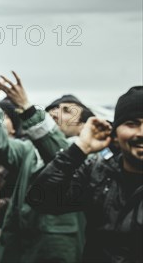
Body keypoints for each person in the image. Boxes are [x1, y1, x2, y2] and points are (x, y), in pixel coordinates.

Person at [0, 29, 85, 262]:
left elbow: (62, 155)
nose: (57, 114)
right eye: (52, 110)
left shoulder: (90, 158)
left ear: (85, 125)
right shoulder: (28, 151)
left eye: (68, 111)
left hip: (59, 250)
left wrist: (28, 108)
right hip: (19, 246)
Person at [28, 86, 143, 262]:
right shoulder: (98, 171)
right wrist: (79, 149)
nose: (141, 133)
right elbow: (41, 198)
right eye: (132, 124)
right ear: (115, 134)